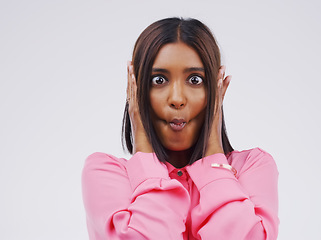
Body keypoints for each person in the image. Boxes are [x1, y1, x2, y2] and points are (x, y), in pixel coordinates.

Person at [82, 17, 279, 240]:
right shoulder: (105, 173)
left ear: (216, 88)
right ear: (135, 89)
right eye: (158, 80)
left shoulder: (253, 167)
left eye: (195, 80)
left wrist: (213, 156)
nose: (177, 99)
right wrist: (145, 156)